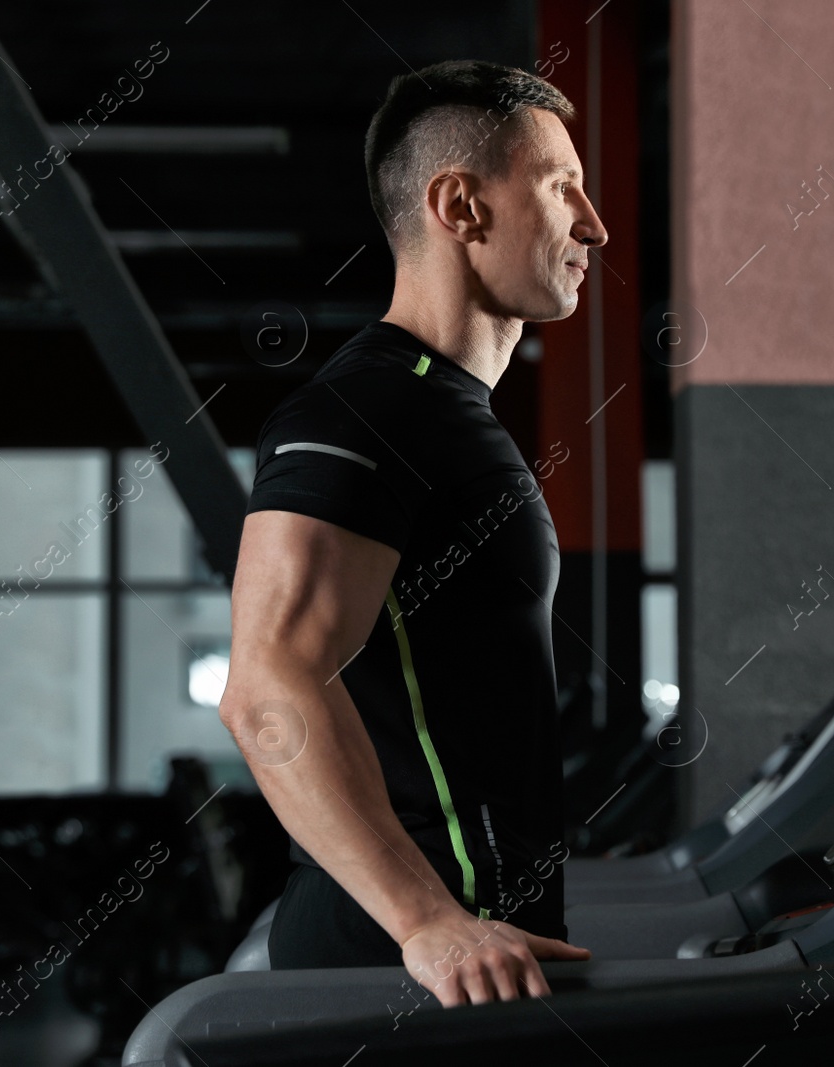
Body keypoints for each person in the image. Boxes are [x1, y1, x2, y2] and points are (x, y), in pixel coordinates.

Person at [218, 58, 608, 1008]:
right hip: (403, 966)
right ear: (462, 207)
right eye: (562, 189)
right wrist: (426, 921)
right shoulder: (367, 411)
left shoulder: (442, 412)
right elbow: (267, 681)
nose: (593, 224)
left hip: (468, 956)